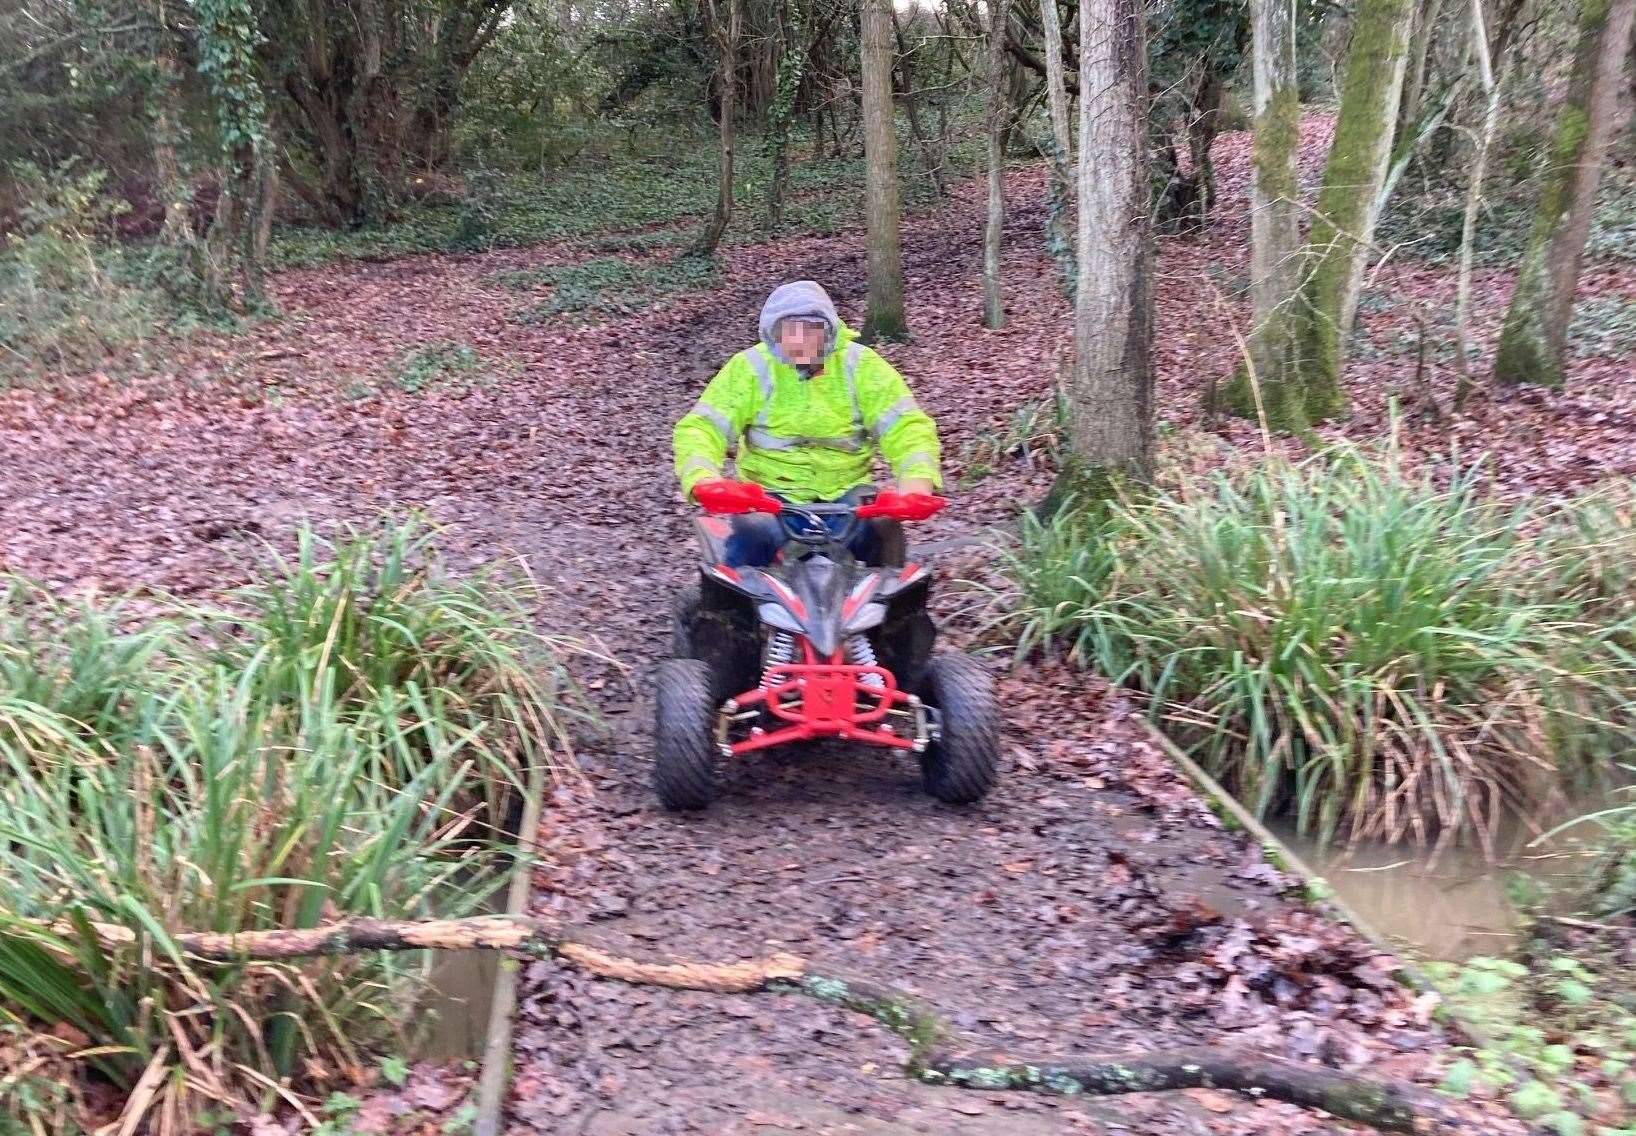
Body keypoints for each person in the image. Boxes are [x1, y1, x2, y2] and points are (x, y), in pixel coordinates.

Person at [672, 280, 944, 568]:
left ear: (827, 331)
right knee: (754, 533)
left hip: (847, 494)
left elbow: (906, 427)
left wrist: (916, 485)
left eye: (810, 329)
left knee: (884, 528)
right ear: (774, 333)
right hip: (768, 495)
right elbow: (703, 427)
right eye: (790, 330)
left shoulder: (861, 367)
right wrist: (705, 480)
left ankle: (895, 609)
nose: (800, 340)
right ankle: (727, 610)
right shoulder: (751, 368)